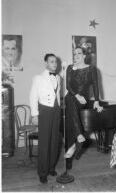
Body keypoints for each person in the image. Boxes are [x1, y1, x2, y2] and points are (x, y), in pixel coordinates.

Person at [65, 46, 103, 169]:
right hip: (72, 96)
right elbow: (68, 86)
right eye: (74, 53)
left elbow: (96, 86)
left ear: (84, 55)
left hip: (83, 100)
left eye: (79, 53)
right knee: (70, 99)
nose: (76, 55)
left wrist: (96, 101)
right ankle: (79, 135)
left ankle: (77, 139)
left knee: (71, 123)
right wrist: (76, 95)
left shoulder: (92, 69)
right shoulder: (70, 68)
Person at [30, 53, 61, 183]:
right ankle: (42, 172)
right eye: (52, 61)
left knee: (55, 140)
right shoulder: (38, 78)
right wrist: (34, 114)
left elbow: (59, 94)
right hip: (44, 111)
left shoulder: (59, 77)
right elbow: (33, 96)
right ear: (46, 63)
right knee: (44, 142)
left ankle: (51, 167)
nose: (54, 64)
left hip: (56, 111)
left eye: (56, 62)